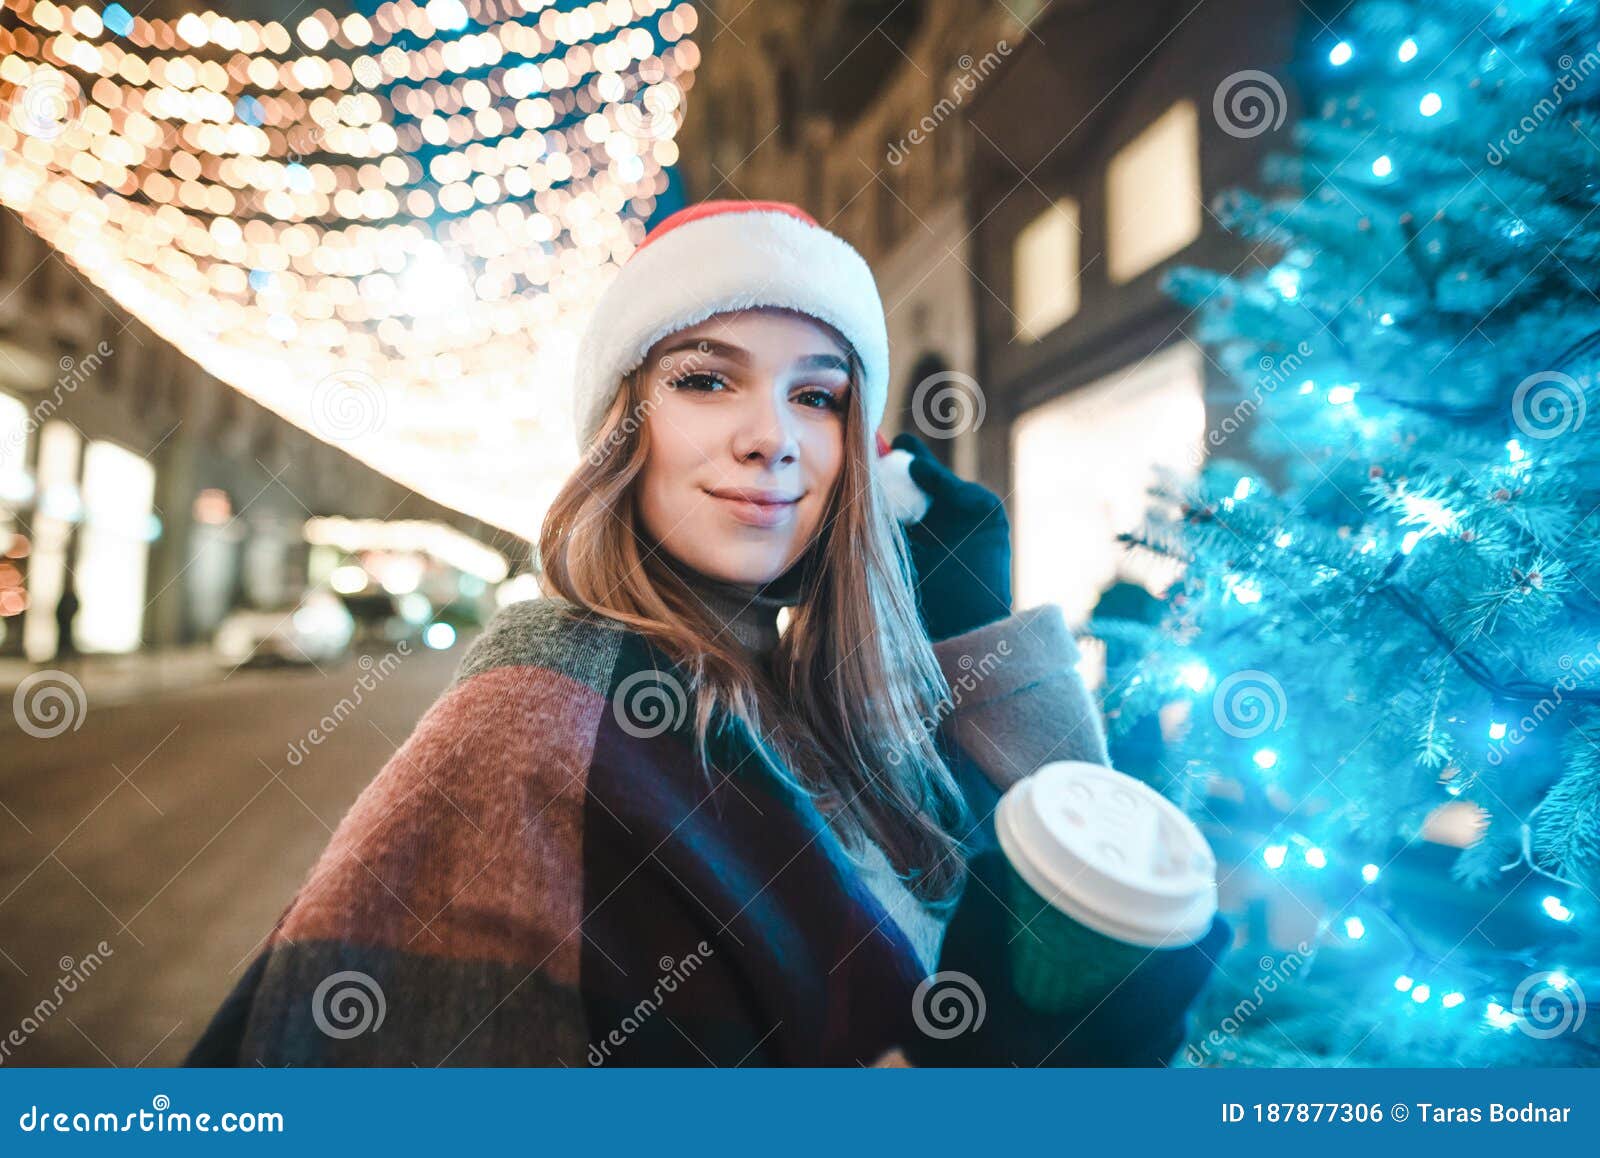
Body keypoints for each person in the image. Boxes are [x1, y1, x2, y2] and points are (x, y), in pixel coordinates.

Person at [185, 200, 1228, 1067]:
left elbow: (1083, 891)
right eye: (703, 378)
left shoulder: (815, 700)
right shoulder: (534, 727)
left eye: (816, 396)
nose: (771, 436)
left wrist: (980, 648)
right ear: (619, 433)